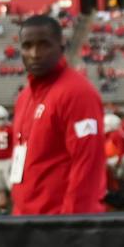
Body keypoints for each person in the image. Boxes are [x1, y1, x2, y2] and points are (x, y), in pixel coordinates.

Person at [8, 15, 105, 216]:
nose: (35, 53)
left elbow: (87, 165)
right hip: (26, 220)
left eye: (44, 45)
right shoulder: (25, 96)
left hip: (58, 225)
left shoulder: (77, 93)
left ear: (61, 46)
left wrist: (71, 223)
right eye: (27, 46)